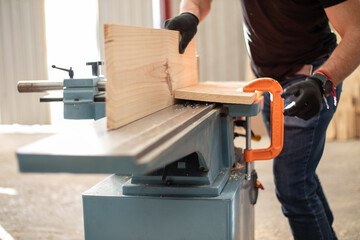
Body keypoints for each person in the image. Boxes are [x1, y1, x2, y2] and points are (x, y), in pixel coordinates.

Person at [164, 0, 360, 239]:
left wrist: (322, 81)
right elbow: (199, 2)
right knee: (300, 174)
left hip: (311, 79)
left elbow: (357, 33)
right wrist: (190, 15)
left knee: (293, 184)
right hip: (270, 82)